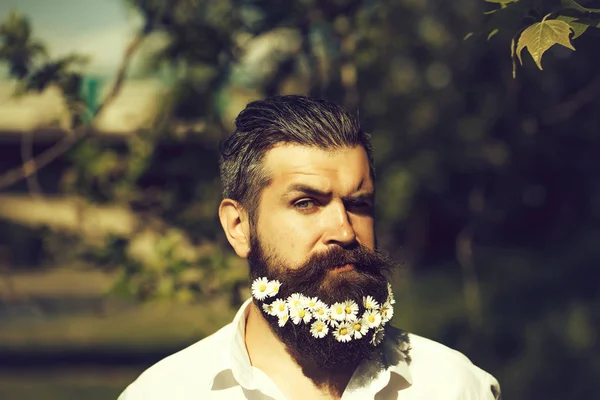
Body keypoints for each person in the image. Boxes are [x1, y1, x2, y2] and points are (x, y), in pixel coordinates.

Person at [118, 95, 501, 400]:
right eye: (306, 203)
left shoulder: (453, 387)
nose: (345, 231)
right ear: (239, 226)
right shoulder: (166, 393)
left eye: (358, 204)